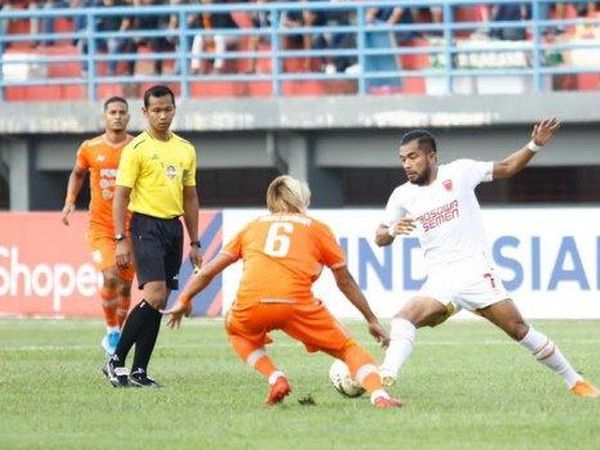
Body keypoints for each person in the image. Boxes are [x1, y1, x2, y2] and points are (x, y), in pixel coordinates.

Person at [376, 120, 600, 399]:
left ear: (432, 156)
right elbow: (379, 238)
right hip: (441, 281)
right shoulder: (402, 195)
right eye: (403, 160)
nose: (407, 165)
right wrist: (391, 230)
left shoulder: (460, 172)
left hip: (475, 273)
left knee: (519, 329)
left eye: (413, 157)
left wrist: (535, 145)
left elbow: (507, 167)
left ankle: (575, 381)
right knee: (403, 319)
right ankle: (386, 375)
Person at [163, 176, 403, 409]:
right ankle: (380, 396)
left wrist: (184, 298)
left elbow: (207, 271)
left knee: (237, 332)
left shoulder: (252, 227)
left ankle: (275, 377)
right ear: (301, 199)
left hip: (251, 304)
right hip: (295, 303)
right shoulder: (318, 229)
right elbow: (345, 280)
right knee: (348, 349)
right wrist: (371, 319)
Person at [103, 85, 202, 388]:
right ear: (145, 113)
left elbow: (190, 198)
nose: (162, 115)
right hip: (145, 226)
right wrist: (121, 238)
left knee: (159, 303)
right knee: (155, 295)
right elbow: (120, 197)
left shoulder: (185, 149)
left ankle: (139, 371)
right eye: (156, 110)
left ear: (174, 109)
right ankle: (115, 360)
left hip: (173, 229)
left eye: (167, 109)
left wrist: (195, 241)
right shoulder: (136, 149)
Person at [61, 96, 135, 356]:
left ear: (128, 116)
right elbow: (78, 173)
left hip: (131, 228)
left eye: (122, 112)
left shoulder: (137, 148)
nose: (117, 116)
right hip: (100, 226)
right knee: (110, 274)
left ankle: (119, 333)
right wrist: (70, 201)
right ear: (104, 117)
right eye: (112, 112)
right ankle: (111, 330)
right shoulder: (90, 148)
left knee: (125, 287)